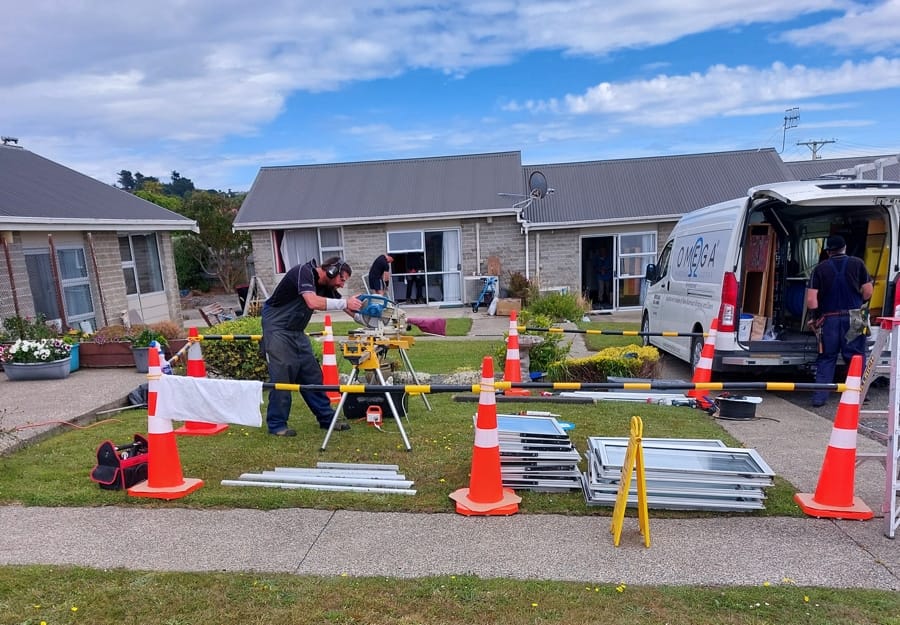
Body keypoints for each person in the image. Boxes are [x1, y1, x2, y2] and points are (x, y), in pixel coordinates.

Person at [261, 257, 363, 436]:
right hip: (277, 329)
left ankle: (326, 418)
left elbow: (347, 308)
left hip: (296, 332)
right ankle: (277, 425)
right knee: (282, 376)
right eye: (342, 279)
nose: (341, 284)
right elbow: (312, 302)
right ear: (331, 271)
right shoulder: (303, 272)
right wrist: (345, 303)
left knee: (312, 374)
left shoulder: (326, 286)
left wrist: (368, 317)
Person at [806, 234, 873, 407]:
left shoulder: (819, 269)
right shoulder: (858, 263)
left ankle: (819, 398)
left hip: (830, 318)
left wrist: (814, 318)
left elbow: (812, 300)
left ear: (828, 251)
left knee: (827, 357)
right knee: (857, 356)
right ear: (844, 248)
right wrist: (860, 302)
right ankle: (860, 394)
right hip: (858, 316)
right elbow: (868, 291)